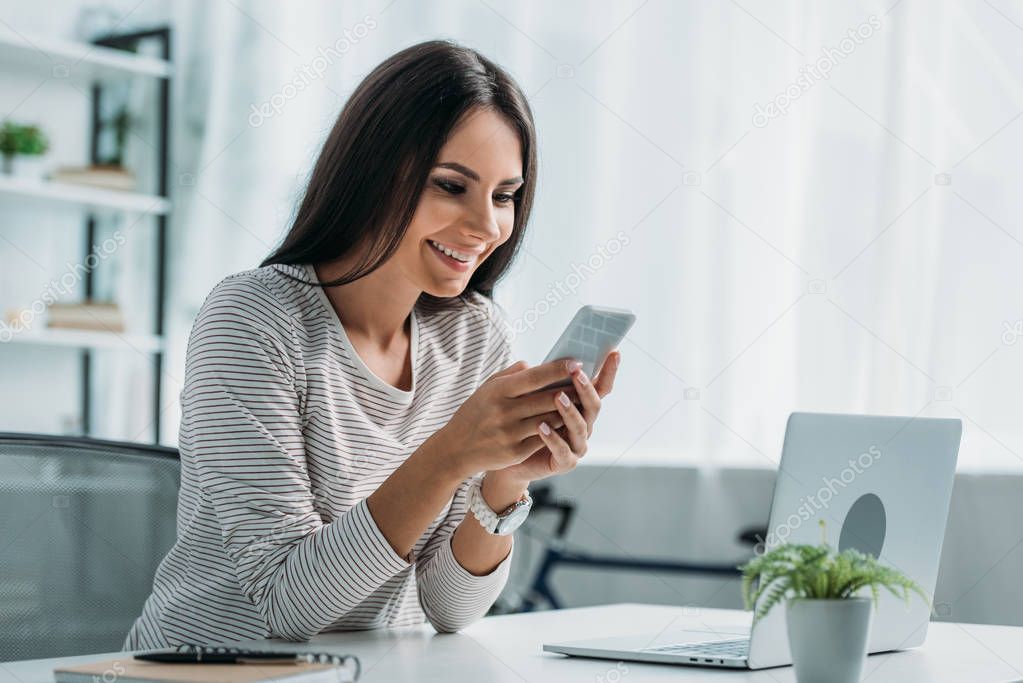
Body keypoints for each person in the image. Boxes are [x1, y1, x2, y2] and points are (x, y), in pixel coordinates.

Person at [125, 39, 621, 648]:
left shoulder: (473, 335)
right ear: (371, 172)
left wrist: (504, 481)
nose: (487, 226)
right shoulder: (254, 319)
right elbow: (287, 606)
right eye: (450, 185)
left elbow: (449, 609)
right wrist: (450, 455)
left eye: (503, 195)